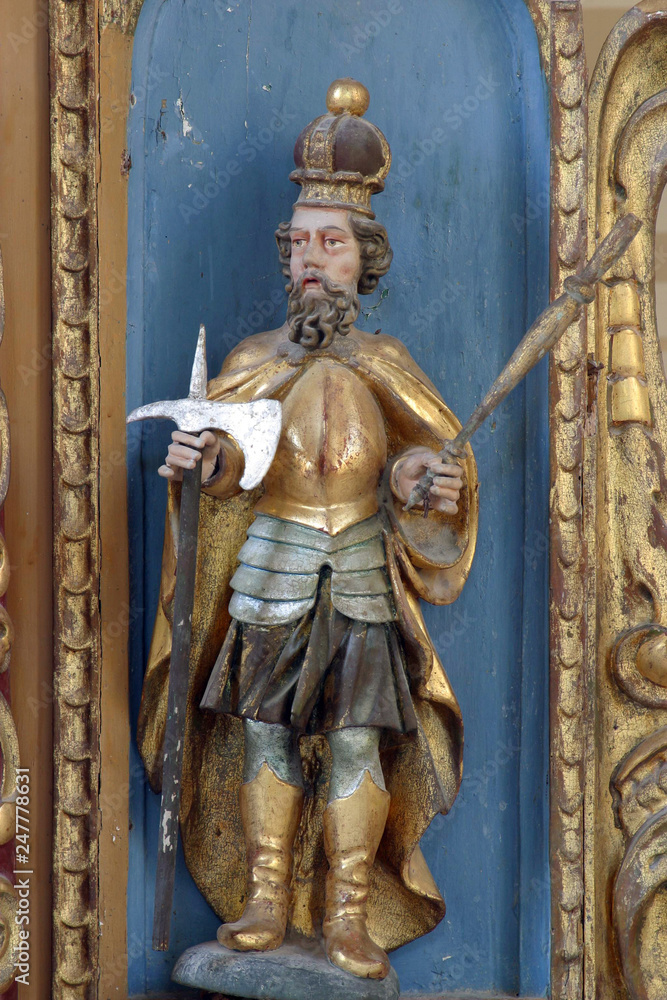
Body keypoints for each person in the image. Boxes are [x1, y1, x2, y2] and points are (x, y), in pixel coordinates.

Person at [137, 78, 478, 981]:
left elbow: (416, 462)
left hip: (359, 567)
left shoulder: (384, 362)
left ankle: (348, 914)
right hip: (272, 563)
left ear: (365, 257)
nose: (310, 262)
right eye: (298, 244)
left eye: (331, 243)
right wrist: (201, 461)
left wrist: (423, 480)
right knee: (262, 731)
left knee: (358, 738)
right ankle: (264, 896)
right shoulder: (253, 362)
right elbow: (233, 470)